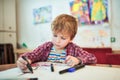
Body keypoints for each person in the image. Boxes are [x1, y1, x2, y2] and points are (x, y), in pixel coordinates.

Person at [17, 14, 97, 72]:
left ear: (70, 39)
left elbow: (92, 58)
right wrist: (25, 60)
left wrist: (78, 60)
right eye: (55, 35)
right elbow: (32, 55)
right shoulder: (46, 47)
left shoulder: (74, 48)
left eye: (63, 38)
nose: (57, 40)